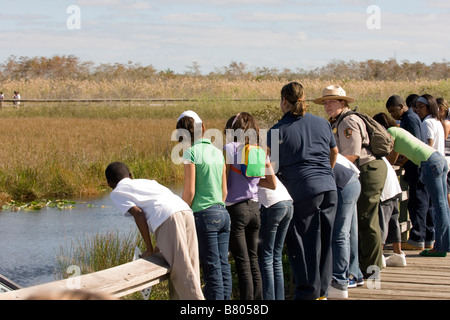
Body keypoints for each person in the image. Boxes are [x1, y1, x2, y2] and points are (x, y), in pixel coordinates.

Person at [268, 82, 338, 300]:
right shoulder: (322, 123)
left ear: (284, 101)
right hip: (329, 188)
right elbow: (334, 152)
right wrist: (325, 173)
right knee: (325, 244)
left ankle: (307, 294)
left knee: (303, 245)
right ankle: (323, 293)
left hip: (302, 191)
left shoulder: (276, 131)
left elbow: (268, 167)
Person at [314, 85, 387, 277]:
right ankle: (360, 269)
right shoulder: (338, 121)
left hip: (366, 169)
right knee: (356, 222)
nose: (327, 105)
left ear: (342, 102)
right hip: (358, 171)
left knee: (366, 220)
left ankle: (372, 270)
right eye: (325, 102)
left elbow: (352, 154)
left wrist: (326, 168)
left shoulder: (348, 121)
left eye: (331, 101)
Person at [105, 162, 204, 300]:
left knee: (183, 273)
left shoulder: (117, 192)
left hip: (169, 217)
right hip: (185, 210)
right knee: (192, 266)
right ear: (130, 176)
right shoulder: (148, 182)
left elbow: (139, 214)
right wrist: (160, 245)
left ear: (109, 183)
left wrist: (149, 249)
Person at [372, 116, 450, 257]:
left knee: (439, 206)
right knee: (443, 204)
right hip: (438, 159)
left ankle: (440, 248)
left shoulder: (391, 131)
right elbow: (405, 152)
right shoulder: (399, 130)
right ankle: (444, 244)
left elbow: (391, 156)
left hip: (429, 163)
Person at [176, 110, 232, 300]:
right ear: (204, 129)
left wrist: (180, 213)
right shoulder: (218, 152)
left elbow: (189, 192)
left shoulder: (190, 153)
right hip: (223, 214)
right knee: (223, 264)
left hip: (204, 215)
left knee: (211, 268)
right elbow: (224, 192)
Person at [224, 112, 276, 300]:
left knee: (242, 263)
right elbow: (272, 183)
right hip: (255, 209)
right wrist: (252, 184)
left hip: (236, 210)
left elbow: (225, 181)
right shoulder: (261, 150)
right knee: (254, 260)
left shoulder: (229, 148)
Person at [386, 95, 433, 251]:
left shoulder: (410, 119)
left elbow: (415, 142)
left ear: (401, 106)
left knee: (418, 202)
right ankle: (427, 238)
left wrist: (400, 161)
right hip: (419, 164)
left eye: (393, 111)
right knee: (422, 202)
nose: (392, 115)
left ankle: (417, 237)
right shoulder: (410, 118)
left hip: (417, 166)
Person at [328, 154, 361, 299]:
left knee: (340, 235)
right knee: (348, 233)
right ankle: (354, 274)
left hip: (343, 185)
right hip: (352, 180)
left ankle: (339, 282)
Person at [257, 175, 293, 300]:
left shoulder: (250, 160)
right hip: (287, 202)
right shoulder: (258, 160)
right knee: (276, 256)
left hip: (271, 204)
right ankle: (279, 297)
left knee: (266, 256)